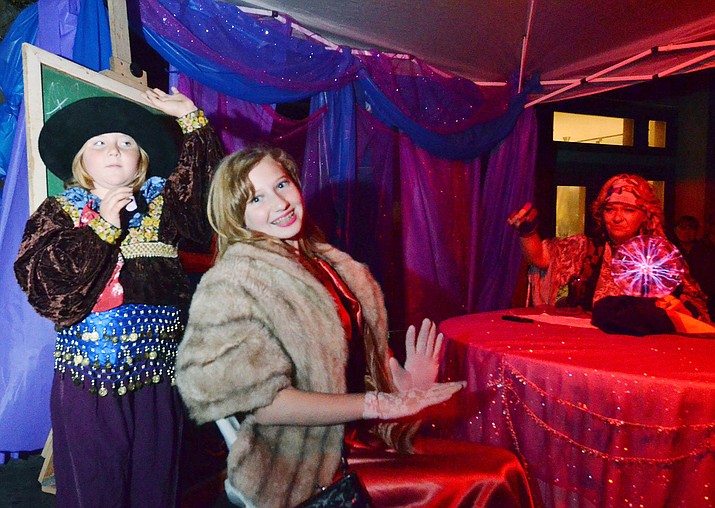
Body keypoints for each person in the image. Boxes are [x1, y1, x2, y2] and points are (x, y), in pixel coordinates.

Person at [175, 146, 531, 508]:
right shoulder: (235, 282)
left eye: (281, 185)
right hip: (301, 466)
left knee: (501, 466)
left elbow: (358, 369)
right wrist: (376, 404)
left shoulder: (331, 265)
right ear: (237, 218)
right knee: (494, 477)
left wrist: (404, 386)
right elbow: (263, 405)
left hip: (359, 440)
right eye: (256, 198)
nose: (279, 204)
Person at [14, 88, 224, 507]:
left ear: (141, 160)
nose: (115, 149)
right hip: (91, 377)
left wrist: (192, 122)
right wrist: (103, 228)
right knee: (97, 480)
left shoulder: (163, 208)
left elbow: (205, 207)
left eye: (127, 142)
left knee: (155, 476)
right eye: (100, 143)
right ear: (80, 161)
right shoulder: (61, 211)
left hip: (157, 375)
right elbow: (44, 284)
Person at [508, 173, 712, 336]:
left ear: (645, 215)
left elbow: (696, 307)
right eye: (610, 209)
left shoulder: (662, 256)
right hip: (591, 344)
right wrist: (528, 231)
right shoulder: (587, 248)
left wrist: (678, 308)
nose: (616, 218)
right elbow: (540, 259)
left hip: (648, 351)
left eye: (628, 210)